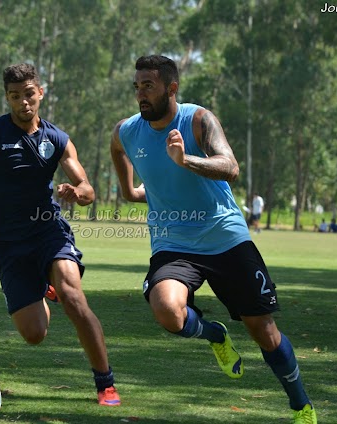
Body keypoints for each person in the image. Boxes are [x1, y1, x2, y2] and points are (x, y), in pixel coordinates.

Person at [110, 55, 316, 423]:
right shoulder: (127, 131)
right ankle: (215, 334)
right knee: (167, 311)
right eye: (137, 86)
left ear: (171, 88)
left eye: (149, 86)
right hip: (173, 242)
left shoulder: (198, 119)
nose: (141, 94)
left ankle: (301, 406)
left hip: (225, 237)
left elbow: (231, 167)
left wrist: (185, 159)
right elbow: (117, 149)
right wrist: (131, 190)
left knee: (263, 331)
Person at [0, 63, 120, 406]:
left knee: (73, 296)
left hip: (49, 231)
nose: (23, 102)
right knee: (34, 334)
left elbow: (87, 189)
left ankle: (105, 383)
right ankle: (41, 285)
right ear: (7, 97)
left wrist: (78, 193)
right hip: (7, 244)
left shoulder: (57, 138)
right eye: (14, 96)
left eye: (29, 94)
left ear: (41, 93)